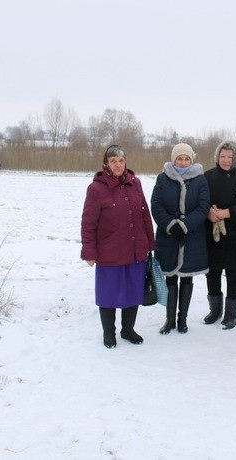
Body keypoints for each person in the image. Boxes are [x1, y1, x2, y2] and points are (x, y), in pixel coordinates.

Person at [81, 145, 156, 349]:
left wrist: (150, 242)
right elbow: (88, 223)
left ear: (126, 162)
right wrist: (89, 251)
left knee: (133, 290)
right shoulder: (96, 189)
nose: (118, 165)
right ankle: (109, 333)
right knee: (109, 293)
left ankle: (128, 329)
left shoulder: (136, 183)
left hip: (135, 249)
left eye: (121, 161)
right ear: (106, 163)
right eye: (113, 161)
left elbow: (144, 215)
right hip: (109, 252)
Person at [151, 142, 210, 334]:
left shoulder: (200, 180)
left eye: (187, 159)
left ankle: (182, 320)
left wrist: (185, 224)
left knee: (186, 279)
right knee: (170, 278)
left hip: (191, 236)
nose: (183, 162)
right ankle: (169, 320)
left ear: (191, 160)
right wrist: (170, 224)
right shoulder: (162, 178)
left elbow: (203, 207)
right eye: (179, 158)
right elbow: (156, 204)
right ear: (173, 159)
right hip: (168, 236)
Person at [203, 140, 236, 329]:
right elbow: (201, 201)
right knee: (213, 273)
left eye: (230, 157)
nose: (226, 160)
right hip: (212, 234)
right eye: (223, 156)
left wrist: (227, 213)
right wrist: (208, 213)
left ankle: (232, 314)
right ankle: (215, 310)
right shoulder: (207, 176)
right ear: (217, 157)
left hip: (235, 234)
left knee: (234, 274)